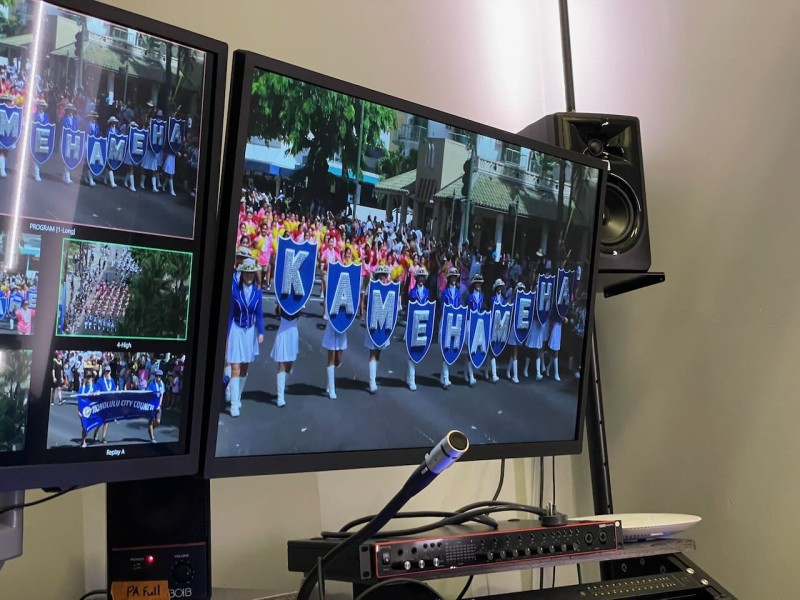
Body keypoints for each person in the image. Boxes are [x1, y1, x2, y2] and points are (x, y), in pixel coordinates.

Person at [226, 258, 264, 416]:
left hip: (249, 332)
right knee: (235, 367)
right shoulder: (235, 291)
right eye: (246, 273)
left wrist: (261, 332)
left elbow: (259, 315)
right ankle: (234, 404)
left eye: (251, 273)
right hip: (236, 329)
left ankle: (238, 395)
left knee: (245, 367)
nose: (249, 276)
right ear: (242, 274)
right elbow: (229, 315)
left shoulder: (258, 293)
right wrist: (227, 335)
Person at [321, 245, 354, 399]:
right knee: (331, 355)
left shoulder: (353, 275)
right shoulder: (335, 273)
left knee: (338, 357)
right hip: (333, 318)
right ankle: (331, 387)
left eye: (350, 254)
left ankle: (330, 381)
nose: (348, 256)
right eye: (346, 254)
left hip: (343, 320)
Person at [364, 264, 392, 394]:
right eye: (380, 276)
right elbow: (367, 304)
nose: (382, 278)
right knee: (372, 352)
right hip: (373, 322)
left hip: (384, 322)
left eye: (384, 276)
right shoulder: (372, 286)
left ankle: (373, 378)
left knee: (379, 351)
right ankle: (372, 381)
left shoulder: (389, 288)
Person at [405, 267, 429, 391]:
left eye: (423, 277)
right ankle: (411, 378)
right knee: (412, 349)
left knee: (418, 349)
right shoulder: (412, 292)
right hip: (414, 322)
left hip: (422, 323)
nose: (421, 279)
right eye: (419, 277)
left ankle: (408, 375)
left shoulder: (427, 292)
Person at [440, 266, 461, 389]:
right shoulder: (445, 292)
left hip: (455, 322)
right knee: (445, 346)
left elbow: (459, 307)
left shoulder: (458, 292)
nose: (454, 279)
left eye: (455, 277)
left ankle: (444, 376)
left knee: (451, 346)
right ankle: (446, 377)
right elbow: (443, 307)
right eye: (452, 277)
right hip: (446, 320)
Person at [464, 273, 484, 387]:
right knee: (470, 350)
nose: (478, 285)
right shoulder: (470, 297)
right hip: (470, 322)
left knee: (472, 349)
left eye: (480, 283)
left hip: (478, 324)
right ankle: (471, 376)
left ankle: (466, 374)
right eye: (477, 283)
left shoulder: (481, 297)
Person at [505, 282, 526, 384]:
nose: (521, 291)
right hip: (513, 328)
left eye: (522, 290)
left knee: (514, 351)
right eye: (519, 289)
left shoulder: (525, 303)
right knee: (514, 350)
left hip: (520, 329)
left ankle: (508, 371)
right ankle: (515, 375)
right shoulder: (513, 302)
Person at [484, 278, 504, 383]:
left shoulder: (503, 299)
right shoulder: (493, 299)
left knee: (491, 351)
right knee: (492, 350)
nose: (500, 288)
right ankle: (494, 374)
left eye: (501, 286)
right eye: (499, 286)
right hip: (493, 324)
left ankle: (487, 372)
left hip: (500, 326)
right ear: (496, 288)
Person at [94, 364, 117, 443]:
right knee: (100, 420)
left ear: (110, 372)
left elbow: (114, 390)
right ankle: (96, 431)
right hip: (101, 403)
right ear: (104, 372)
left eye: (109, 371)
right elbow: (97, 390)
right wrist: (97, 392)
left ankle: (103, 437)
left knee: (106, 420)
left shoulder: (112, 380)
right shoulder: (100, 381)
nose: (107, 373)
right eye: (106, 371)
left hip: (109, 403)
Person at [61, 103, 79, 185]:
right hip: (65, 140)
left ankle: (65, 175)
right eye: (69, 110)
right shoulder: (63, 119)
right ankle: (67, 177)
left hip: (73, 141)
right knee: (66, 158)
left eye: (72, 110)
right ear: (67, 111)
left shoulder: (75, 120)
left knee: (70, 157)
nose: (71, 111)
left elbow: (76, 130)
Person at [32, 98, 49, 182]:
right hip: (35, 136)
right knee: (35, 154)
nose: (41, 107)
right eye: (40, 106)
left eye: (43, 106)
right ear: (38, 107)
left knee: (40, 155)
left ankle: (35, 171)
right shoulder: (34, 115)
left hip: (43, 138)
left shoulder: (47, 116)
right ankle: (36, 172)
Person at [77, 371, 96, 448]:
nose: (89, 379)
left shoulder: (94, 387)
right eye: (87, 377)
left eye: (90, 377)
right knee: (85, 426)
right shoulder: (82, 388)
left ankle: (95, 434)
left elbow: (99, 396)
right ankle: (83, 441)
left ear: (92, 378)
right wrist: (78, 411)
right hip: (83, 410)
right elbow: (79, 400)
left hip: (92, 409)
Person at [147, 369, 165, 443]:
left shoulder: (162, 384)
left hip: (158, 405)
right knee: (151, 421)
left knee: (158, 421)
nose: (158, 377)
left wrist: (159, 405)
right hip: (152, 405)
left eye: (160, 376)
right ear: (155, 376)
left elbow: (161, 395)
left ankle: (150, 429)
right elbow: (148, 394)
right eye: (157, 376)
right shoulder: (152, 384)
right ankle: (152, 437)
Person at [84, 111, 100, 187]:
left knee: (90, 162)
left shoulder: (97, 126)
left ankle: (85, 176)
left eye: (95, 117)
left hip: (94, 144)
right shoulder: (87, 126)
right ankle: (90, 179)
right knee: (88, 162)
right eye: (93, 117)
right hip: (87, 143)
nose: (94, 118)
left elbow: (97, 135)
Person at [0, 93, 14, 179]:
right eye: (6, 101)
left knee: (6, 151)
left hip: (8, 133)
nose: (7, 103)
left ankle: (2, 165)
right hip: (1, 133)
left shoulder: (12, 110)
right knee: (1, 150)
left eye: (9, 101)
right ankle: (2, 169)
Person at [105, 116, 120, 188]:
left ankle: (105, 178)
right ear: (110, 123)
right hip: (108, 148)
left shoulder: (117, 131)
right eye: (112, 123)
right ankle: (112, 182)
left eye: (115, 123)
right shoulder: (108, 130)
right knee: (109, 165)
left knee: (109, 165)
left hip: (114, 149)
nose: (114, 124)